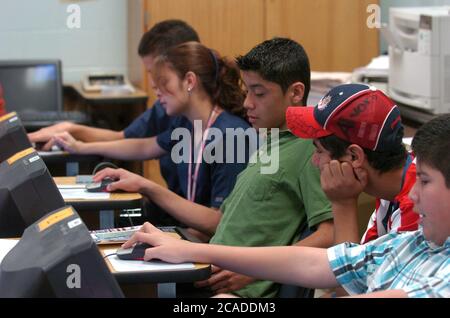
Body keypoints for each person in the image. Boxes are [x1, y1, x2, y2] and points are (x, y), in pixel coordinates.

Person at [123, 106, 450, 298]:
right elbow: (322, 265)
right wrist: (190, 250)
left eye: (425, 181)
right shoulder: (414, 243)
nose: (415, 193)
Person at [104, 38, 334, 298]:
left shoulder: (309, 151)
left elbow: (330, 235)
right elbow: (220, 222)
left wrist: (259, 270)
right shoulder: (269, 144)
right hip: (206, 274)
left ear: (295, 92)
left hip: (240, 294)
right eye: (247, 91)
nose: (247, 103)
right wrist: (170, 235)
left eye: (259, 93)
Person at [57, 42, 250, 238]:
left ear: (190, 81)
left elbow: (218, 223)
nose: (157, 92)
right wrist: (80, 147)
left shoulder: (231, 136)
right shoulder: (186, 125)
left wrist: (146, 186)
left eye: (163, 83)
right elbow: (144, 146)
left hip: (214, 248)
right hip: (192, 235)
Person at [28, 19, 201, 203]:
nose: (152, 84)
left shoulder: (222, 131)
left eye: (158, 75)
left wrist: (146, 186)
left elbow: (212, 221)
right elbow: (130, 141)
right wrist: (72, 131)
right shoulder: (171, 111)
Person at [286, 83, 419, 245]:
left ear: (354, 156)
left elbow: (347, 269)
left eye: (319, 151)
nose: (314, 161)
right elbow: (362, 258)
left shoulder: (418, 208)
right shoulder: (391, 190)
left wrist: (343, 204)